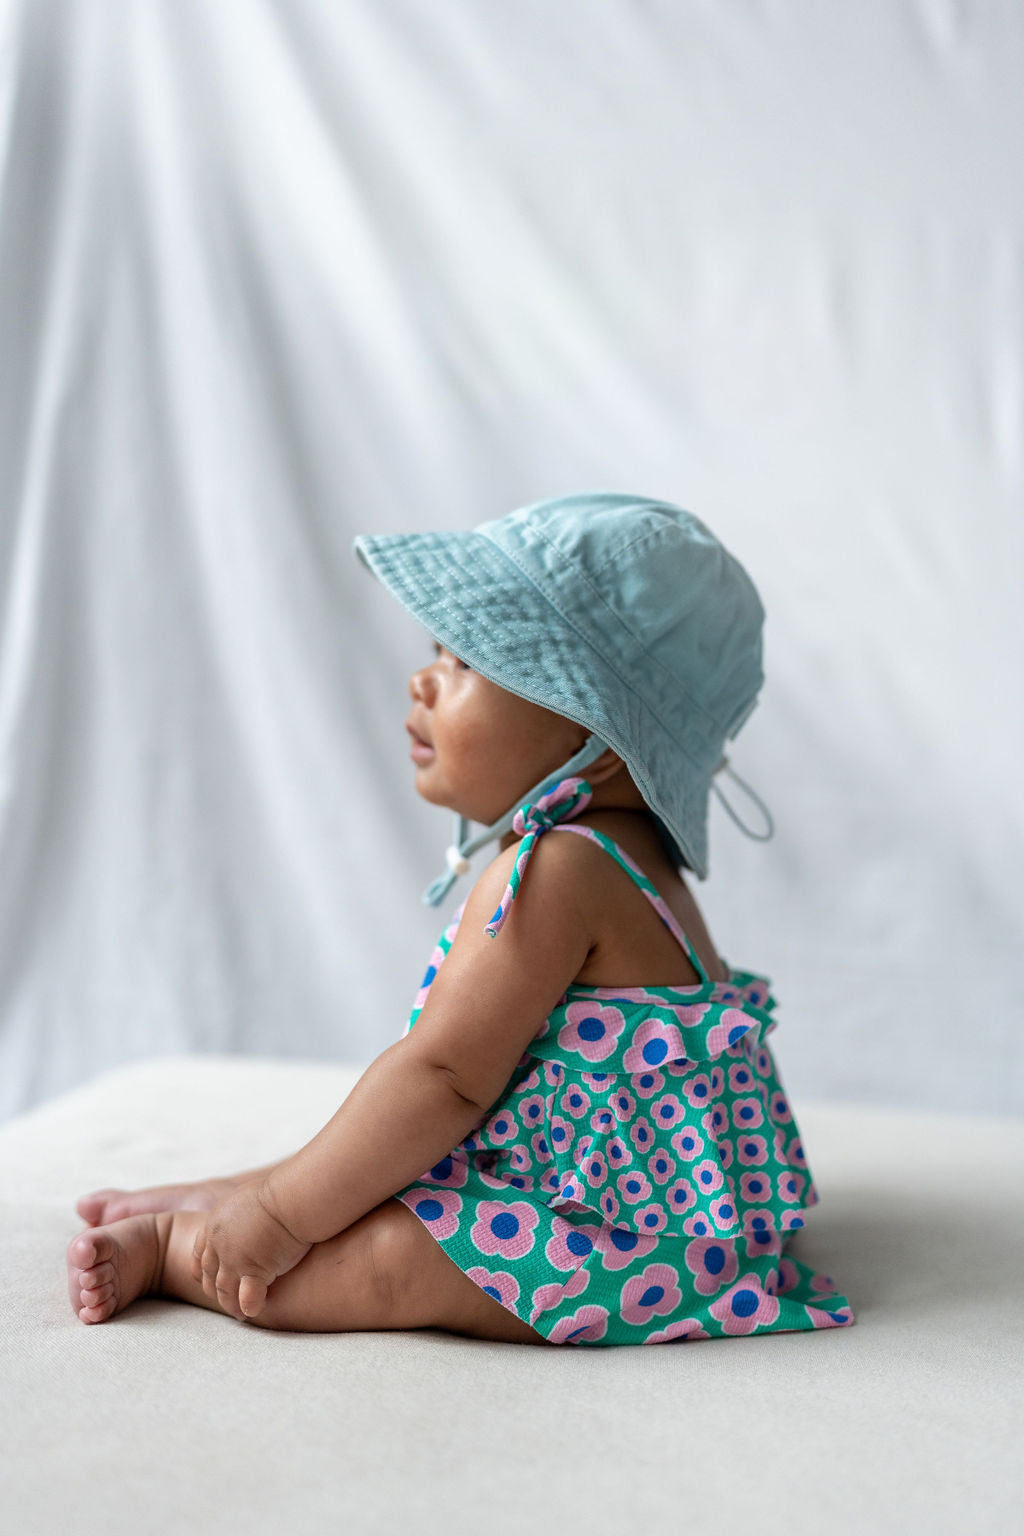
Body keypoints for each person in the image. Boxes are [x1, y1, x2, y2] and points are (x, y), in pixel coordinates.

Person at [66, 492, 855, 1346]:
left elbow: (443, 1079)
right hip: (664, 1211)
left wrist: (284, 1222)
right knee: (368, 1161)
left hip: (632, 1246)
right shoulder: (631, 859)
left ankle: (177, 1248)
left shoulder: (558, 866)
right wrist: (285, 1190)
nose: (423, 678)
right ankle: (224, 1193)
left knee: (385, 1262)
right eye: (436, 649)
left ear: (596, 723)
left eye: (469, 658)